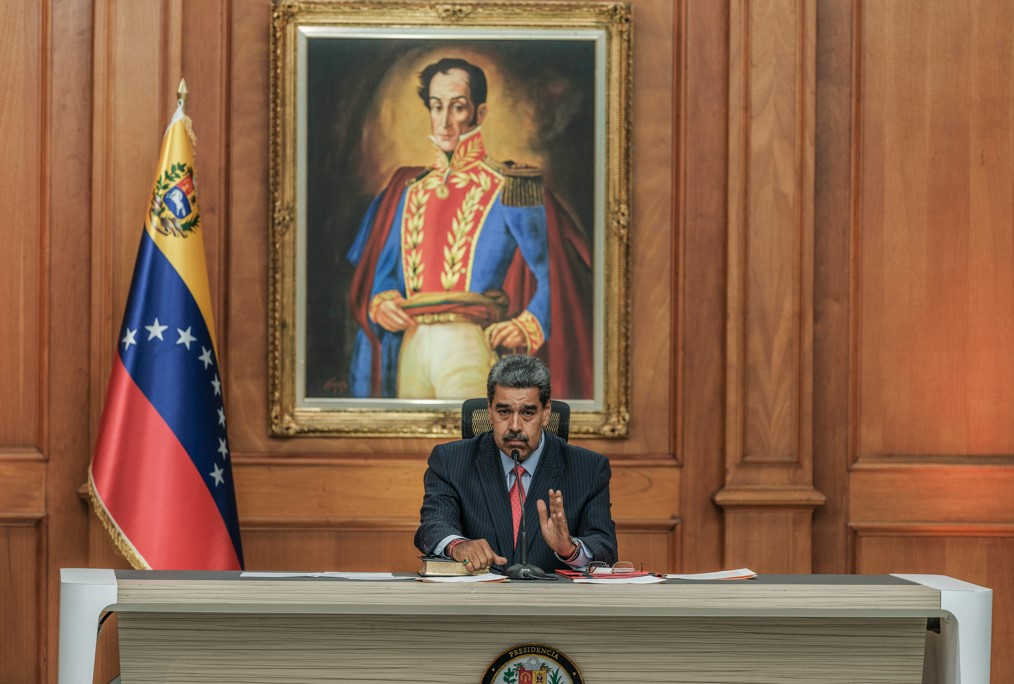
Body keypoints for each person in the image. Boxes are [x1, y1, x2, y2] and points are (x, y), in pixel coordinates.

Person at [346, 57, 594, 399]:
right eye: (436, 106)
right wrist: (382, 301)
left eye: (457, 107)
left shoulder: (510, 186)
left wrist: (528, 323)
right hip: (412, 345)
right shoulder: (407, 189)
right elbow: (385, 274)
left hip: (468, 345)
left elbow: (553, 274)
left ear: (479, 113)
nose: (444, 121)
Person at [414, 354, 617, 574]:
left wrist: (570, 550)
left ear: (546, 413)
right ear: (489, 411)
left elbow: (605, 547)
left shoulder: (588, 469)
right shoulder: (450, 461)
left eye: (527, 413)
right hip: (475, 602)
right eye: (504, 412)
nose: (514, 426)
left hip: (554, 604)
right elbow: (432, 527)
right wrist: (458, 546)